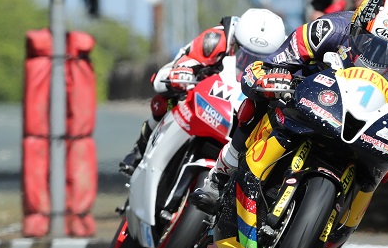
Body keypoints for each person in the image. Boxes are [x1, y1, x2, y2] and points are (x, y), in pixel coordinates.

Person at [191, 0, 388, 212]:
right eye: (367, 41)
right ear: (355, 25)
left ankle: (345, 224)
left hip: (363, 125)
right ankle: (222, 173)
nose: (374, 56)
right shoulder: (329, 28)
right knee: (257, 100)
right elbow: (273, 62)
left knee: (385, 166)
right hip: (310, 97)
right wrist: (268, 77)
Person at [119, 10, 288, 175]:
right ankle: (140, 149)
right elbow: (169, 72)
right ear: (235, 42)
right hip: (202, 91)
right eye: (243, 52)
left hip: (239, 106)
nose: (249, 61)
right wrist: (183, 72)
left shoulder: (287, 56)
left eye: (260, 58)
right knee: (165, 97)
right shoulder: (215, 40)